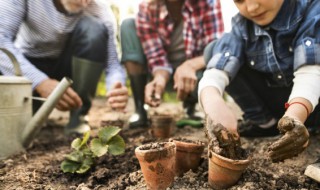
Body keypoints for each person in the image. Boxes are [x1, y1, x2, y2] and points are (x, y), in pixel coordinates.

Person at [199, 0, 320, 162]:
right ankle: (265, 124)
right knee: (213, 50)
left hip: (311, 104)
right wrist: (212, 101)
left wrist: (295, 116)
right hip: (280, 107)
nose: (251, 8)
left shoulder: (311, 8)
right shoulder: (241, 25)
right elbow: (218, 69)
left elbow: (311, 71)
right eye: (239, 1)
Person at [0, 0, 128, 134]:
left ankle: (79, 115)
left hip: (68, 69)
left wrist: (116, 86)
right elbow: (1, 40)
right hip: (29, 67)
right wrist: (40, 82)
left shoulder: (100, 10)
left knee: (94, 29)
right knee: (17, 127)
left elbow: (113, 65)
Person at [120, 0, 224, 128]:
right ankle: (140, 108)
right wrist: (160, 77)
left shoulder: (208, 3)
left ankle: (190, 106)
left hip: (195, 74)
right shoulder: (147, 8)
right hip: (161, 74)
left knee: (213, 68)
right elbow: (156, 57)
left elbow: (216, 50)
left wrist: (190, 66)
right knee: (128, 24)